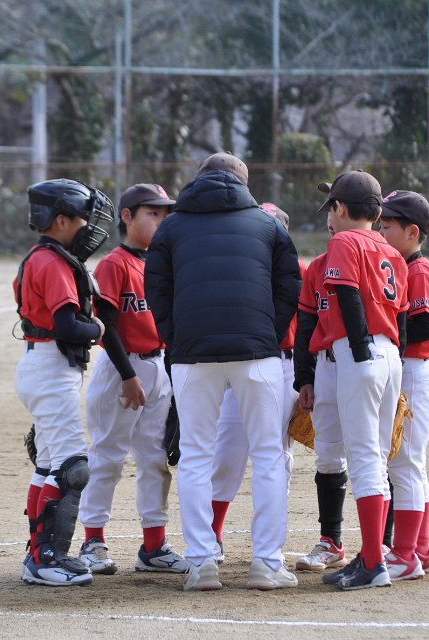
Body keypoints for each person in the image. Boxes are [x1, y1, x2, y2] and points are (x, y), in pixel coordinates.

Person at [145, 153, 302, 591]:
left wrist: (175, 337)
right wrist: (267, 333)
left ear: (198, 179)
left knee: (195, 455)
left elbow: (155, 288)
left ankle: (201, 562)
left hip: (192, 354)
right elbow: (289, 285)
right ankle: (266, 563)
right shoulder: (268, 224)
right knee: (268, 456)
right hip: (257, 352)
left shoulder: (171, 227)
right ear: (244, 183)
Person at [302, 170, 408, 590]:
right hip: (390, 353)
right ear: (377, 213)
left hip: (359, 351)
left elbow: (346, 294)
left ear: (341, 208)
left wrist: (360, 352)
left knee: (363, 458)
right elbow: (400, 314)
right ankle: (371, 554)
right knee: (376, 458)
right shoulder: (389, 249)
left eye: (331, 207)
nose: (330, 215)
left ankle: (373, 564)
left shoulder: (345, 242)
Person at [76, 184, 190, 576]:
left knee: (155, 459)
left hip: (157, 366)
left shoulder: (161, 263)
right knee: (108, 456)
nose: (161, 220)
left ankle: (154, 546)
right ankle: (93, 541)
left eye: (165, 213)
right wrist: (127, 376)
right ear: (126, 217)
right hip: (122, 369)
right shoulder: (115, 264)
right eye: (152, 213)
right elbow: (106, 323)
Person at [13, 178, 114, 586]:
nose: (88, 226)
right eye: (82, 218)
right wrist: (99, 328)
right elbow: (68, 326)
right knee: (72, 467)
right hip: (51, 370)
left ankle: (40, 553)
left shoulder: (41, 256)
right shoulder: (53, 263)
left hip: (43, 365)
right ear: (60, 220)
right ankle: (45, 560)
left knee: (49, 465)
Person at [209, 203, 305, 561]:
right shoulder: (238, 271)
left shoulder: (299, 271)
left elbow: (309, 329)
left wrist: (307, 379)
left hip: (285, 366)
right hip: (240, 363)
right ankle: (213, 533)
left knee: (276, 454)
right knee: (227, 450)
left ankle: (269, 544)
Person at [377, 190, 429, 581]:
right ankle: (420, 550)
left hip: (415, 373)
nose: (381, 233)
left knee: (403, 465)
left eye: (387, 227)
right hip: (411, 371)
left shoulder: (418, 272)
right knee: (410, 466)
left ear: (412, 232)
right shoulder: (405, 268)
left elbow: (427, 325)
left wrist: (387, 330)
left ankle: (404, 555)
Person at [291, 227, 352, 574]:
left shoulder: (377, 258)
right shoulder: (317, 267)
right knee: (328, 453)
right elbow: (305, 326)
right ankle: (331, 541)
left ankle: (384, 543)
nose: (333, 217)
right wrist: (304, 378)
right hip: (326, 365)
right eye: (331, 209)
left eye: (340, 208)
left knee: (374, 454)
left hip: (365, 364)